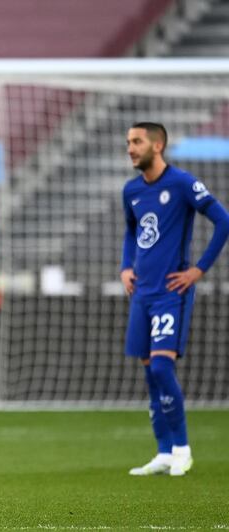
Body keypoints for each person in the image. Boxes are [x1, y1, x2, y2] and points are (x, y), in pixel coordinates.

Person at [121, 122, 229, 477]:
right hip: (142, 294)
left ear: (158, 144)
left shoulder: (182, 183)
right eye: (129, 142)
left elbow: (223, 221)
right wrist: (126, 267)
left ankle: (182, 448)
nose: (131, 148)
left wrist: (198, 269)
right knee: (150, 375)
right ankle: (164, 451)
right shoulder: (132, 190)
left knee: (163, 367)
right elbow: (131, 231)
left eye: (137, 142)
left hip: (171, 292)